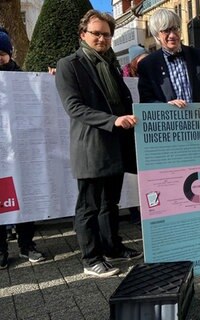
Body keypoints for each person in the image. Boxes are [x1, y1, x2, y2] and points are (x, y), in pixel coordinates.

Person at [55, 10, 143, 277]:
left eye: (107, 34)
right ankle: (91, 259)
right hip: (91, 147)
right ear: (83, 34)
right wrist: (112, 121)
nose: (103, 39)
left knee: (110, 204)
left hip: (116, 146)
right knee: (89, 207)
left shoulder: (110, 64)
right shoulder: (69, 64)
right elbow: (74, 107)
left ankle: (112, 247)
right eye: (97, 33)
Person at [0, 28, 46, 270]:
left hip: (21, 150)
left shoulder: (23, 78)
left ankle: (27, 245)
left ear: (9, 53)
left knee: (25, 199)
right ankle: (1, 250)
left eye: (2, 53)